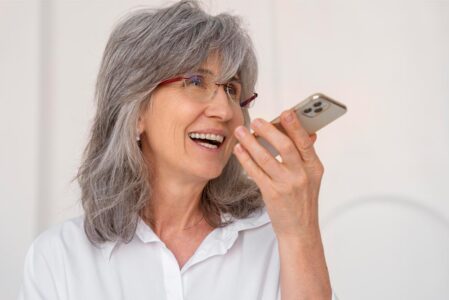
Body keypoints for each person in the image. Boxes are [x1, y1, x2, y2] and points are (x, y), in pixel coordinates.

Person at [18, 1, 337, 299]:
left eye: (231, 89)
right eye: (197, 81)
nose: (224, 111)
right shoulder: (60, 258)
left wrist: (300, 233)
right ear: (137, 110)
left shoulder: (278, 239)